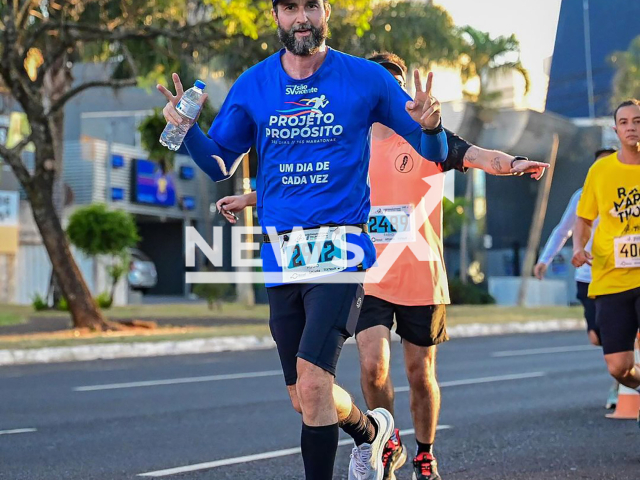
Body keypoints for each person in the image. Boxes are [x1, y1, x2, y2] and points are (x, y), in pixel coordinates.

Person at [216, 51, 548, 480]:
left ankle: (425, 453)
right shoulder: (344, 140)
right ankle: (384, 444)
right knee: (373, 367)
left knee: (420, 373)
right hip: (366, 273)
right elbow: (304, 185)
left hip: (420, 278)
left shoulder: (428, 141)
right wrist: (248, 198)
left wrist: (515, 165)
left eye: (393, 86)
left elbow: (482, 157)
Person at [158, 1, 450, 479]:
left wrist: (432, 125)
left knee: (315, 383)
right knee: (302, 396)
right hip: (282, 254)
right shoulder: (253, 85)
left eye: (310, 7)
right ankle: (373, 434)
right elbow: (220, 164)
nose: (301, 18)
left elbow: (431, 150)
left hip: (342, 249)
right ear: (275, 16)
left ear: (326, 12)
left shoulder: (365, 78)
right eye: (290, 7)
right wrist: (186, 130)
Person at [572, 99, 640, 427]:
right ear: (616, 130)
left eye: (637, 121)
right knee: (618, 367)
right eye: (624, 122)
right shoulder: (600, 171)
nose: (631, 127)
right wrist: (578, 247)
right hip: (611, 278)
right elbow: (583, 219)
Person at [534, 148, 619, 410]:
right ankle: (624, 370)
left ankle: (620, 385)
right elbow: (564, 231)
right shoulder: (582, 196)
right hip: (587, 276)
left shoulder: (627, 194)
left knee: (621, 333)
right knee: (597, 337)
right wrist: (545, 259)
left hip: (619, 275)